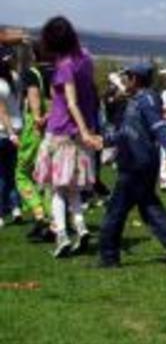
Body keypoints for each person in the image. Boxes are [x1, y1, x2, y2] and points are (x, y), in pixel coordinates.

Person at [94, 63, 166, 267]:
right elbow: (128, 131)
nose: (124, 82)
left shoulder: (147, 100)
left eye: (127, 78)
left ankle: (108, 257)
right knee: (150, 209)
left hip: (137, 164)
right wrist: (105, 141)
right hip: (136, 163)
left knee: (115, 211)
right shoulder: (136, 101)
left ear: (135, 79)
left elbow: (159, 127)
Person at [33, 16, 100, 258]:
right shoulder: (86, 58)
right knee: (72, 188)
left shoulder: (64, 65)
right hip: (79, 131)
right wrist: (87, 130)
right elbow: (84, 95)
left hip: (61, 133)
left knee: (57, 189)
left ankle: (61, 235)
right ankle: (81, 229)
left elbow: (71, 103)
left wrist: (81, 129)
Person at [16, 42, 53, 241]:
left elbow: (34, 97)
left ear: (34, 55)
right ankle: (53, 221)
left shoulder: (32, 73)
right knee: (47, 177)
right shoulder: (58, 72)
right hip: (56, 129)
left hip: (35, 129)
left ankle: (40, 215)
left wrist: (39, 117)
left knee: (21, 173)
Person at [0, 46, 22, 228]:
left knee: (1, 175)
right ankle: (16, 208)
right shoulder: (15, 78)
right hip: (18, 127)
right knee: (12, 174)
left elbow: (2, 111)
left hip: (3, 131)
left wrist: (9, 133)